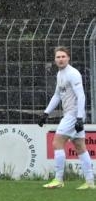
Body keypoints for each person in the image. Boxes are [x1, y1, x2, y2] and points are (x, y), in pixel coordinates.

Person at [38, 46, 94, 190]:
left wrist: (79, 118)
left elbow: (81, 95)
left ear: (68, 58)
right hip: (71, 114)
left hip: (73, 114)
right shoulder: (60, 74)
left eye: (63, 56)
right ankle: (90, 182)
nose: (61, 59)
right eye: (58, 57)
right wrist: (46, 113)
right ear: (55, 59)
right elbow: (57, 95)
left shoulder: (73, 73)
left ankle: (58, 179)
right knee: (80, 146)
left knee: (57, 143)